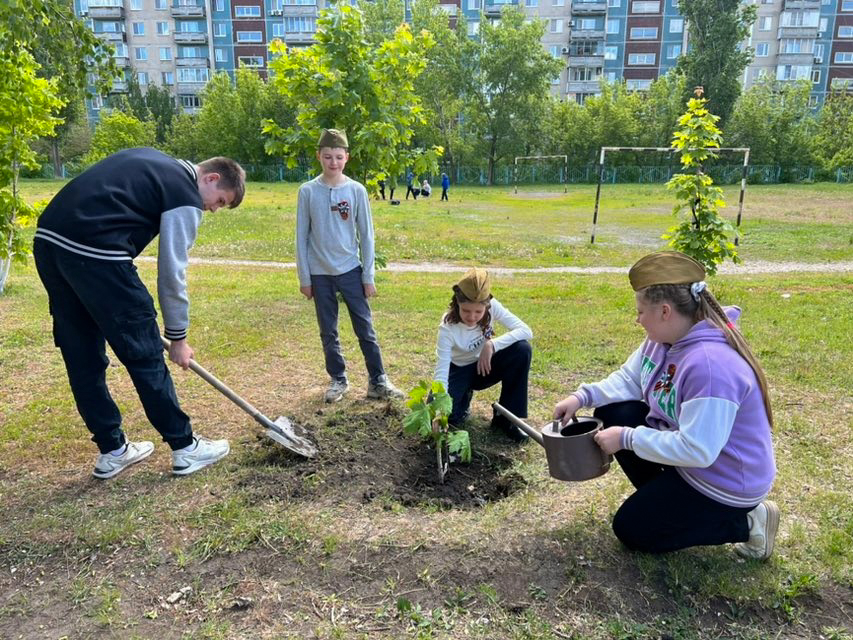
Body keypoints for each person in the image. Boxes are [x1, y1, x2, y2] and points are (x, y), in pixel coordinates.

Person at [33, 148, 246, 479]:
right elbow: (172, 271)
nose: (212, 209)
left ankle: (113, 450)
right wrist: (178, 337)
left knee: (82, 355)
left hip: (49, 243)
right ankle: (185, 448)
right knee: (144, 353)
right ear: (211, 178)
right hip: (98, 254)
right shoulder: (185, 194)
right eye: (219, 201)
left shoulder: (153, 159)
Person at [554, 251, 778, 559]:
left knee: (632, 530)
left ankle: (748, 523)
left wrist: (626, 438)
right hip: (696, 463)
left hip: (725, 483)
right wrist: (581, 397)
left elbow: (698, 449)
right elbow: (631, 380)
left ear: (664, 311)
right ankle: (668, 502)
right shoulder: (663, 340)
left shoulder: (710, 367)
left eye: (640, 311)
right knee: (611, 412)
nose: (637, 319)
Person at [297, 129, 404, 403]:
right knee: (328, 330)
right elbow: (301, 236)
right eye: (328, 156)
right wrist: (305, 277)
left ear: (347, 158)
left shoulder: (356, 190)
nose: (333, 162)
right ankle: (338, 379)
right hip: (320, 274)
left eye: (339, 157)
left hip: (350, 271)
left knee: (364, 327)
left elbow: (366, 235)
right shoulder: (307, 191)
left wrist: (368, 276)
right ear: (319, 156)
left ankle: (378, 380)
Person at [434, 268, 533, 442]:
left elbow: (525, 330)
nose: (472, 317)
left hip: (484, 365)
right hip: (459, 369)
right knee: (449, 418)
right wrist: (439, 410)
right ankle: (463, 397)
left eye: (478, 312)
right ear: (457, 303)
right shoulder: (447, 328)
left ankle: (507, 418)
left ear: (487, 306)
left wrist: (492, 344)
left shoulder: (493, 307)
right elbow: (441, 370)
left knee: (522, 349)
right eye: (466, 311)